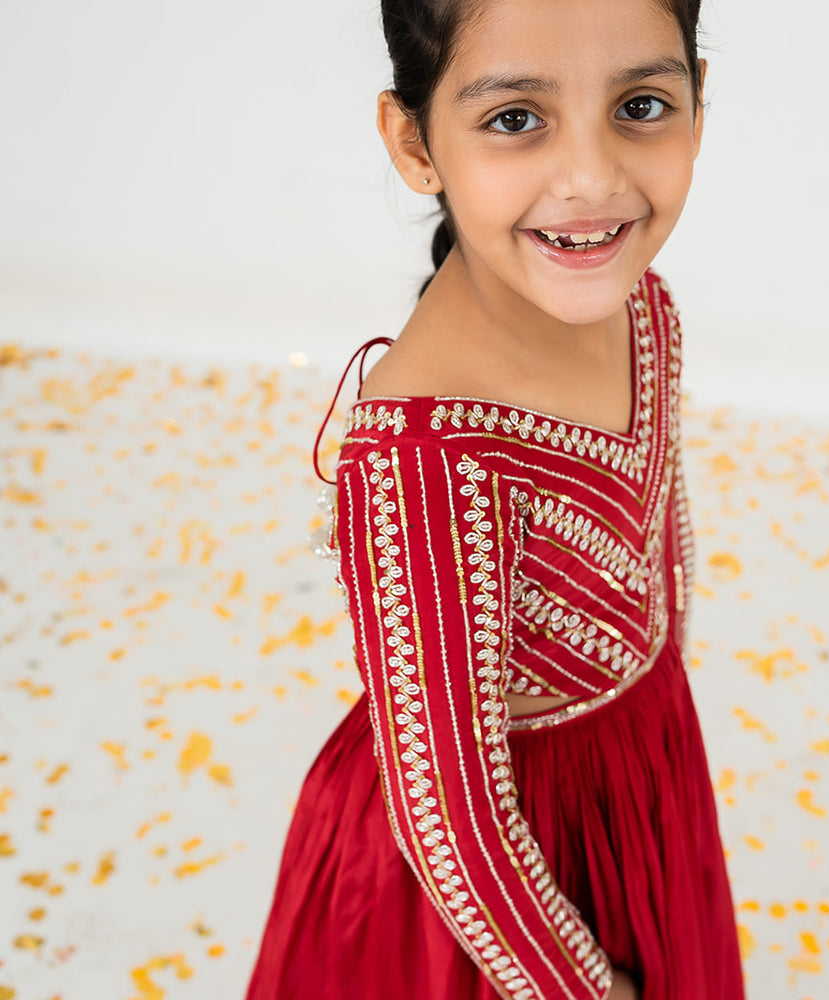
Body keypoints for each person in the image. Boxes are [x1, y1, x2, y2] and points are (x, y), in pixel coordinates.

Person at [245, 0, 745, 997]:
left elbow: (663, 545)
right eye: (516, 117)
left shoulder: (647, 308)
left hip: (637, 770)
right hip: (481, 904)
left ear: (702, 100)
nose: (594, 177)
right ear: (413, 141)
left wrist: (658, 741)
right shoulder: (425, 454)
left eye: (641, 103)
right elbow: (451, 818)